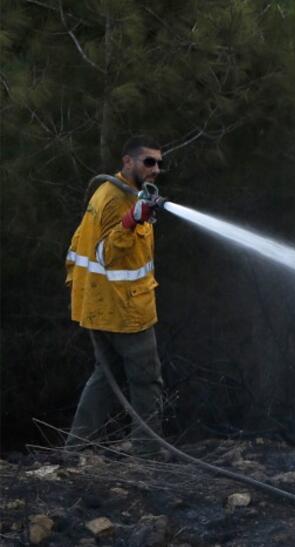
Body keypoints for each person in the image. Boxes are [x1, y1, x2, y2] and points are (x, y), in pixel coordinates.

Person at [65, 136, 167, 454]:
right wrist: (132, 220)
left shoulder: (122, 194)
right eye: (148, 162)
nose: (156, 169)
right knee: (146, 381)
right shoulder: (115, 200)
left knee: (105, 377)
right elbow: (107, 253)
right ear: (127, 162)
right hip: (124, 312)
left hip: (103, 307)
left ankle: (76, 448)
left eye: (159, 163)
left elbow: (79, 243)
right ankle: (148, 453)